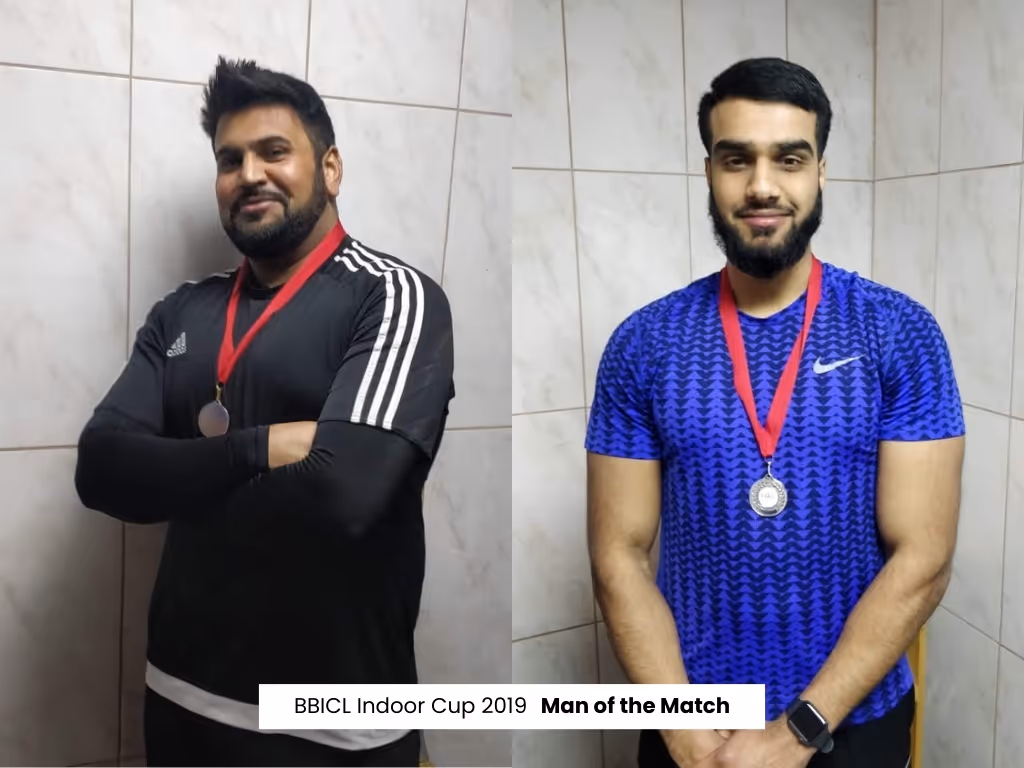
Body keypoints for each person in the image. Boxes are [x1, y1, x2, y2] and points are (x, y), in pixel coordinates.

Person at [75, 58, 454, 767]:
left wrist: (172, 475)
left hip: (337, 726)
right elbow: (100, 471)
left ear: (330, 168)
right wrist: (264, 447)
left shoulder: (393, 297)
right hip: (179, 696)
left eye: (273, 151)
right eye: (230, 159)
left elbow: (345, 497)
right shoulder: (181, 311)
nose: (249, 174)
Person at [586, 58, 964, 768]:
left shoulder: (899, 333)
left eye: (789, 159)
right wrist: (685, 733)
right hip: (694, 726)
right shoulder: (645, 343)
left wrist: (796, 732)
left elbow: (924, 557)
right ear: (709, 172)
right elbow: (618, 555)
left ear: (821, 172)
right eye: (738, 159)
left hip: (854, 725)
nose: (762, 185)